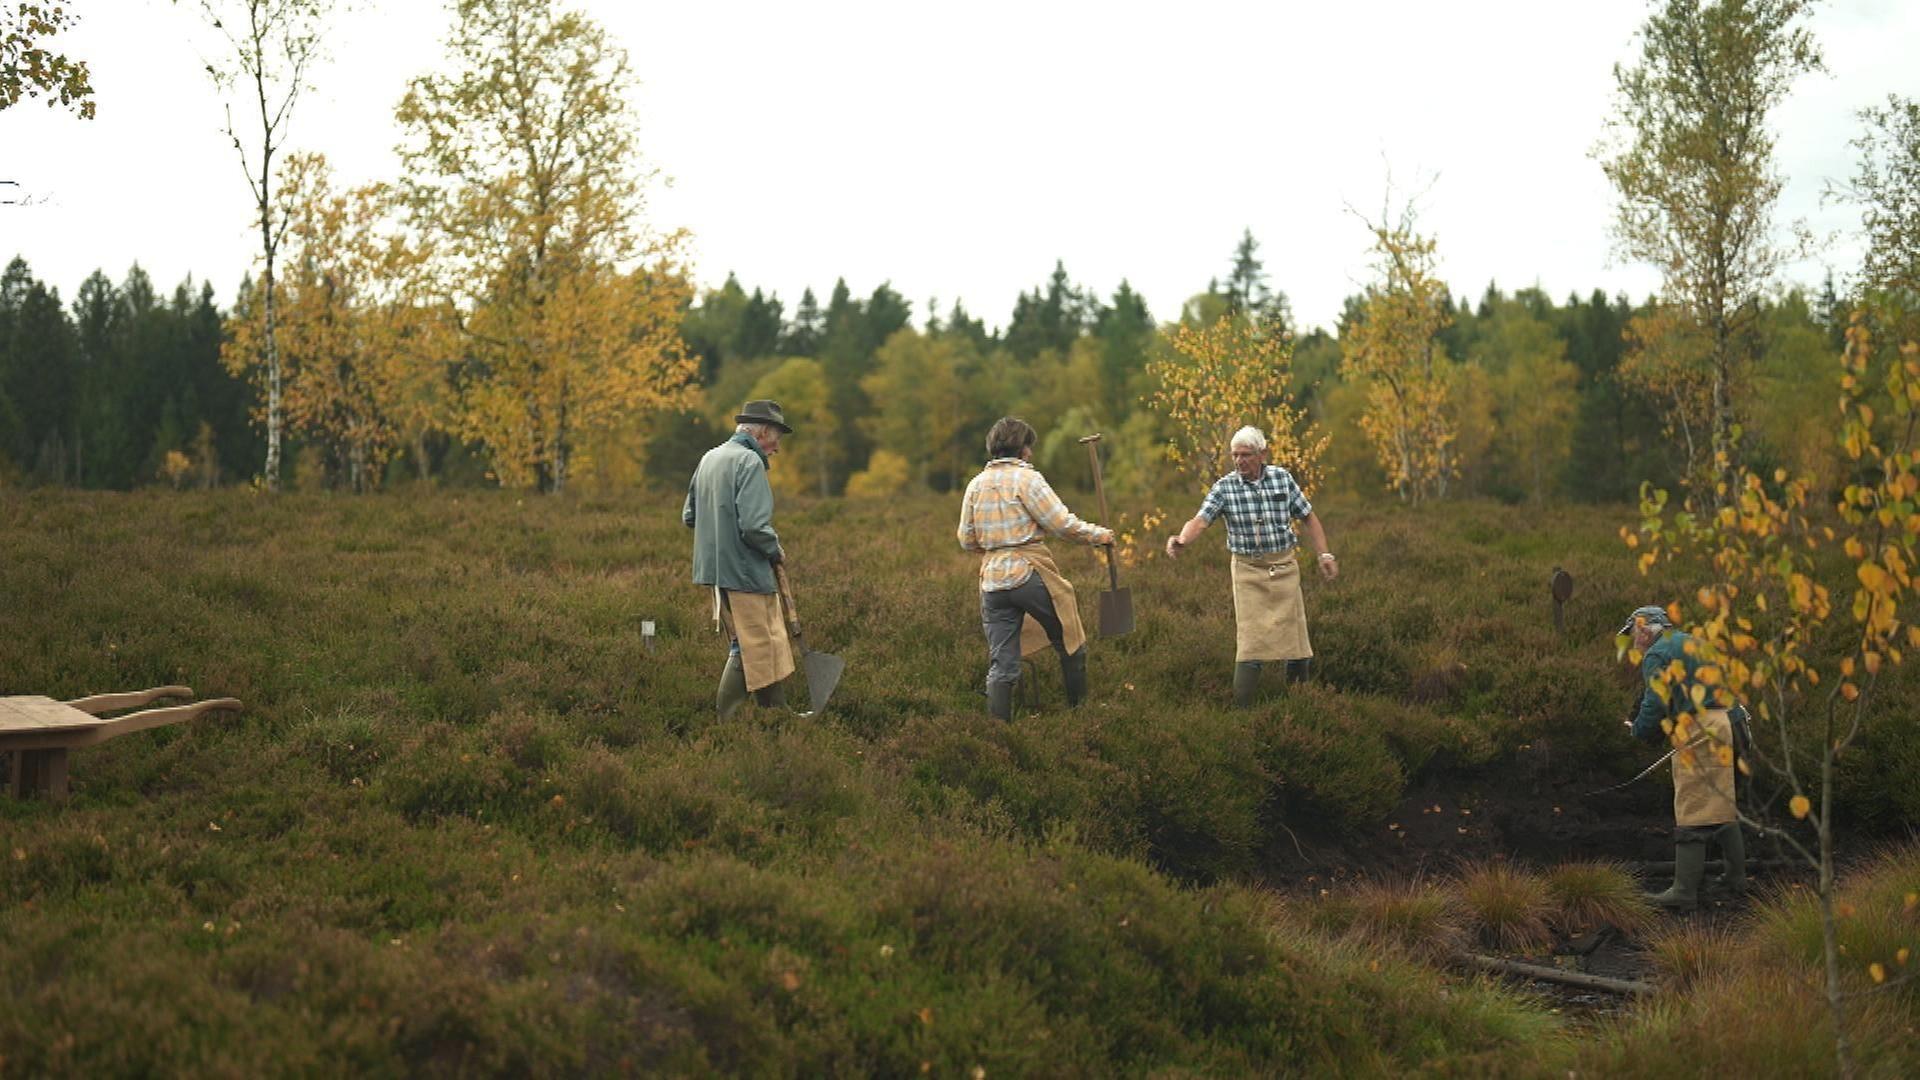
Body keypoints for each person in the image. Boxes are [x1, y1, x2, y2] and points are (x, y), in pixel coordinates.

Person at [1164, 425, 1336, 707]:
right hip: (1247, 573)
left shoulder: (1282, 479)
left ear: (1262, 454)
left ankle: (1300, 706)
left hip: (1284, 568)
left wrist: (1324, 555)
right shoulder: (1224, 487)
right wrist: (1182, 540)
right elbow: (1200, 520)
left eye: (1246, 455)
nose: (1239, 461)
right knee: (1251, 645)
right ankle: (1242, 714)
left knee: (1296, 643)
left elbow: (1309, 517)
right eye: (1235, 455)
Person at [957, 417, 1115, 720]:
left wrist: (997, 548)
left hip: (991, 583)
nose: (1030, 453)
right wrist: (1100, 536)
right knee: (1069, 637)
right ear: (1023, 448)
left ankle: (997, 733)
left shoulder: (975, 485)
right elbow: (1062, 525)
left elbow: (966, 540)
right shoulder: (1028, 479)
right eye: (1029, 446)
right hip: (1028, 573)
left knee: (1002, 663)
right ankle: (1080, 716)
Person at [1620, 604, 1745, 910]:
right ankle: (1735, 880)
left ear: (1645, 628)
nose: (1634, 641)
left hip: (1703, 729)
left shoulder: (1656, 654)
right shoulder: (1693, 641)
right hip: (1733, 722)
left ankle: (1683, 892)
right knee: (1723, 804)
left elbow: (1655, 703)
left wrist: (1639, 730)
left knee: (1693, 808)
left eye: (1633, 633)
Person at [683, 400, 795, 719]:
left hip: (715, 573)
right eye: (776, 438)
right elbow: (754, 527)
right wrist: (774, 549)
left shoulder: (709, 457)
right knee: (752, 644)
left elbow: (689, 516)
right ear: (762, 432)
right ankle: (727, 720)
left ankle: (777, 713)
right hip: (744, 572)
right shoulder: (749, 462)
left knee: (761, 641)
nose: (777, 447)